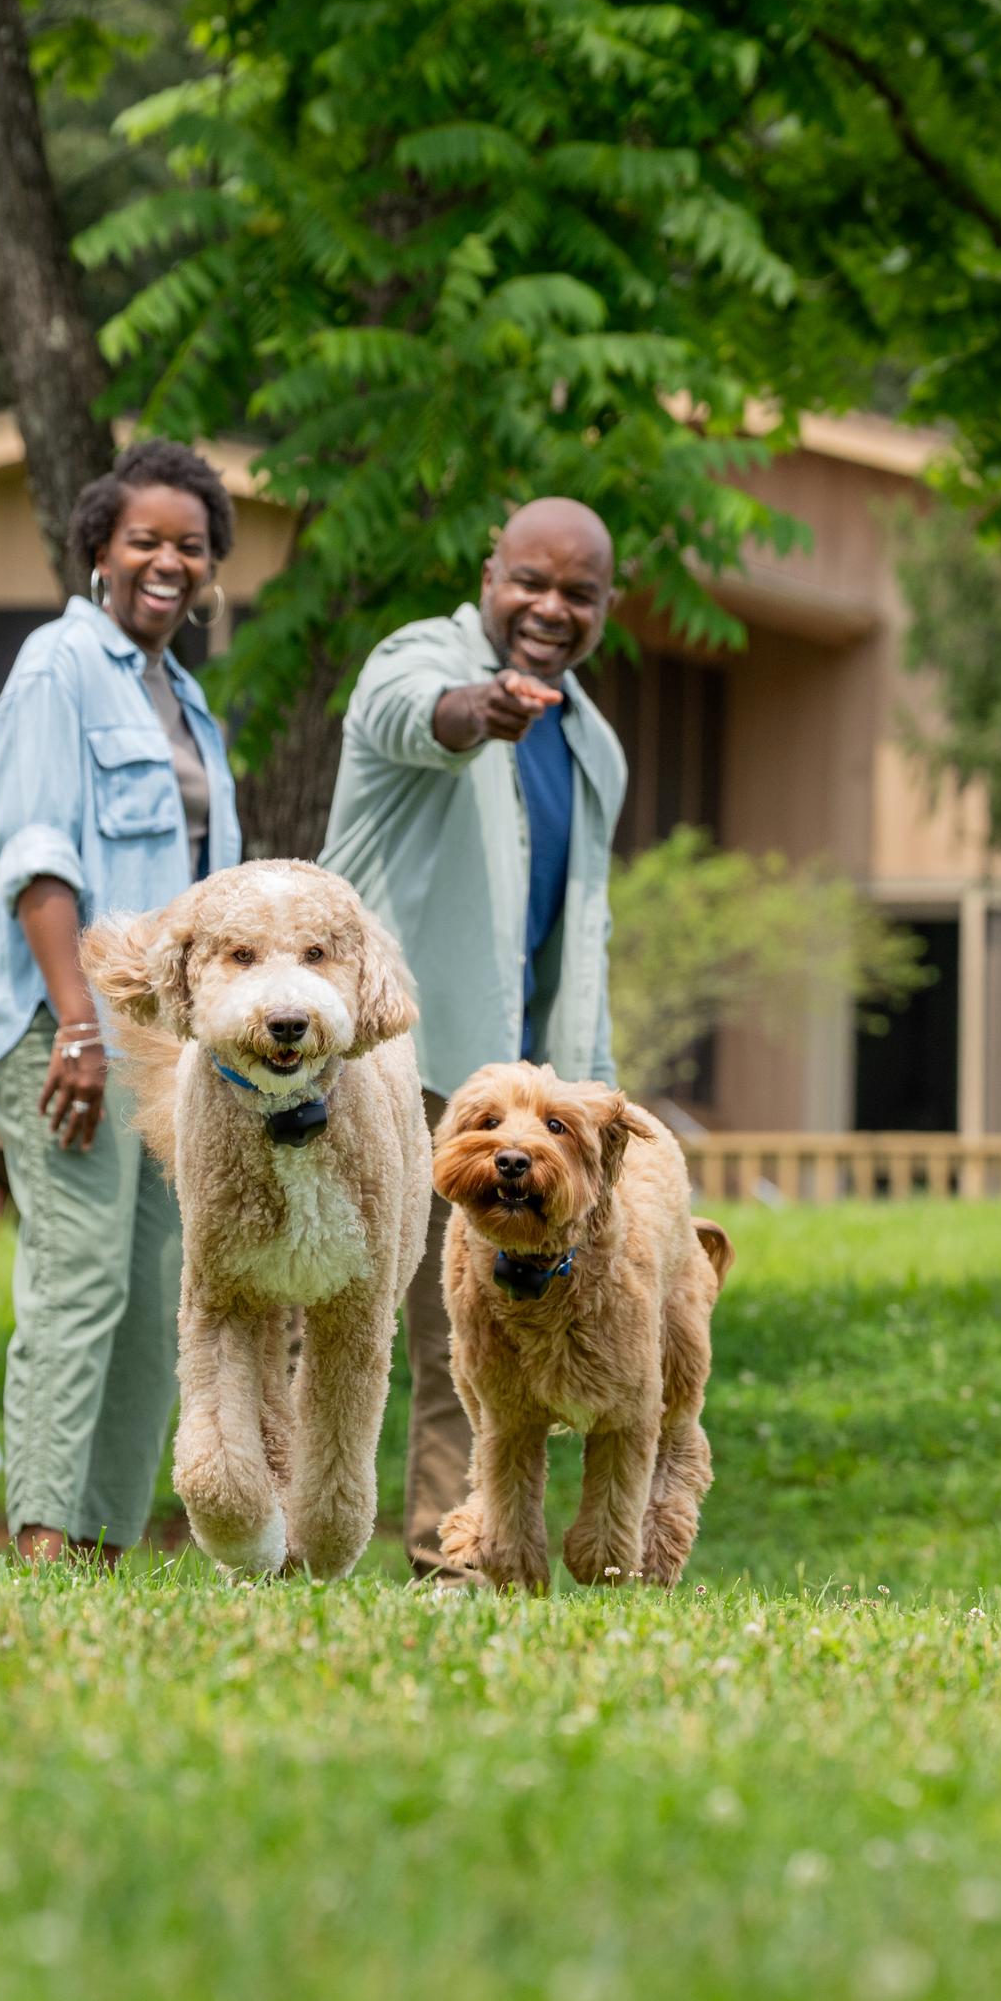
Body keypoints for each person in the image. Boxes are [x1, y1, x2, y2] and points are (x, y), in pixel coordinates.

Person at [319, 498, 627, 1578]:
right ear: (489, 573)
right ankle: (436, 1561)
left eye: (577, 593)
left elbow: (577, 931)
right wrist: (480, 708)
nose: (549, 608)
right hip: (402, 1070)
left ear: (606, 607)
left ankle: (473, 1560)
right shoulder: (419, 659)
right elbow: (421, 717)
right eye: (529, 582)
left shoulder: (593, 743)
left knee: (499, 1331)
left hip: (524, 1097)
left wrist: (598, 1097)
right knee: (426, 1334)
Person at [0, 440, 245, 1564]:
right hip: (70, 1026)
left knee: (156, 1291)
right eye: (145, 542)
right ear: (98, 553)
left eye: (191, 545)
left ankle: (102, 1547)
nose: (168, 562)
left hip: (173, 1048)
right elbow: (37, 860)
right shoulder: (57, 667)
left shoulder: (185, 699)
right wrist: (78, 1020)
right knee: (77, 1278)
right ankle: (38, 1542)